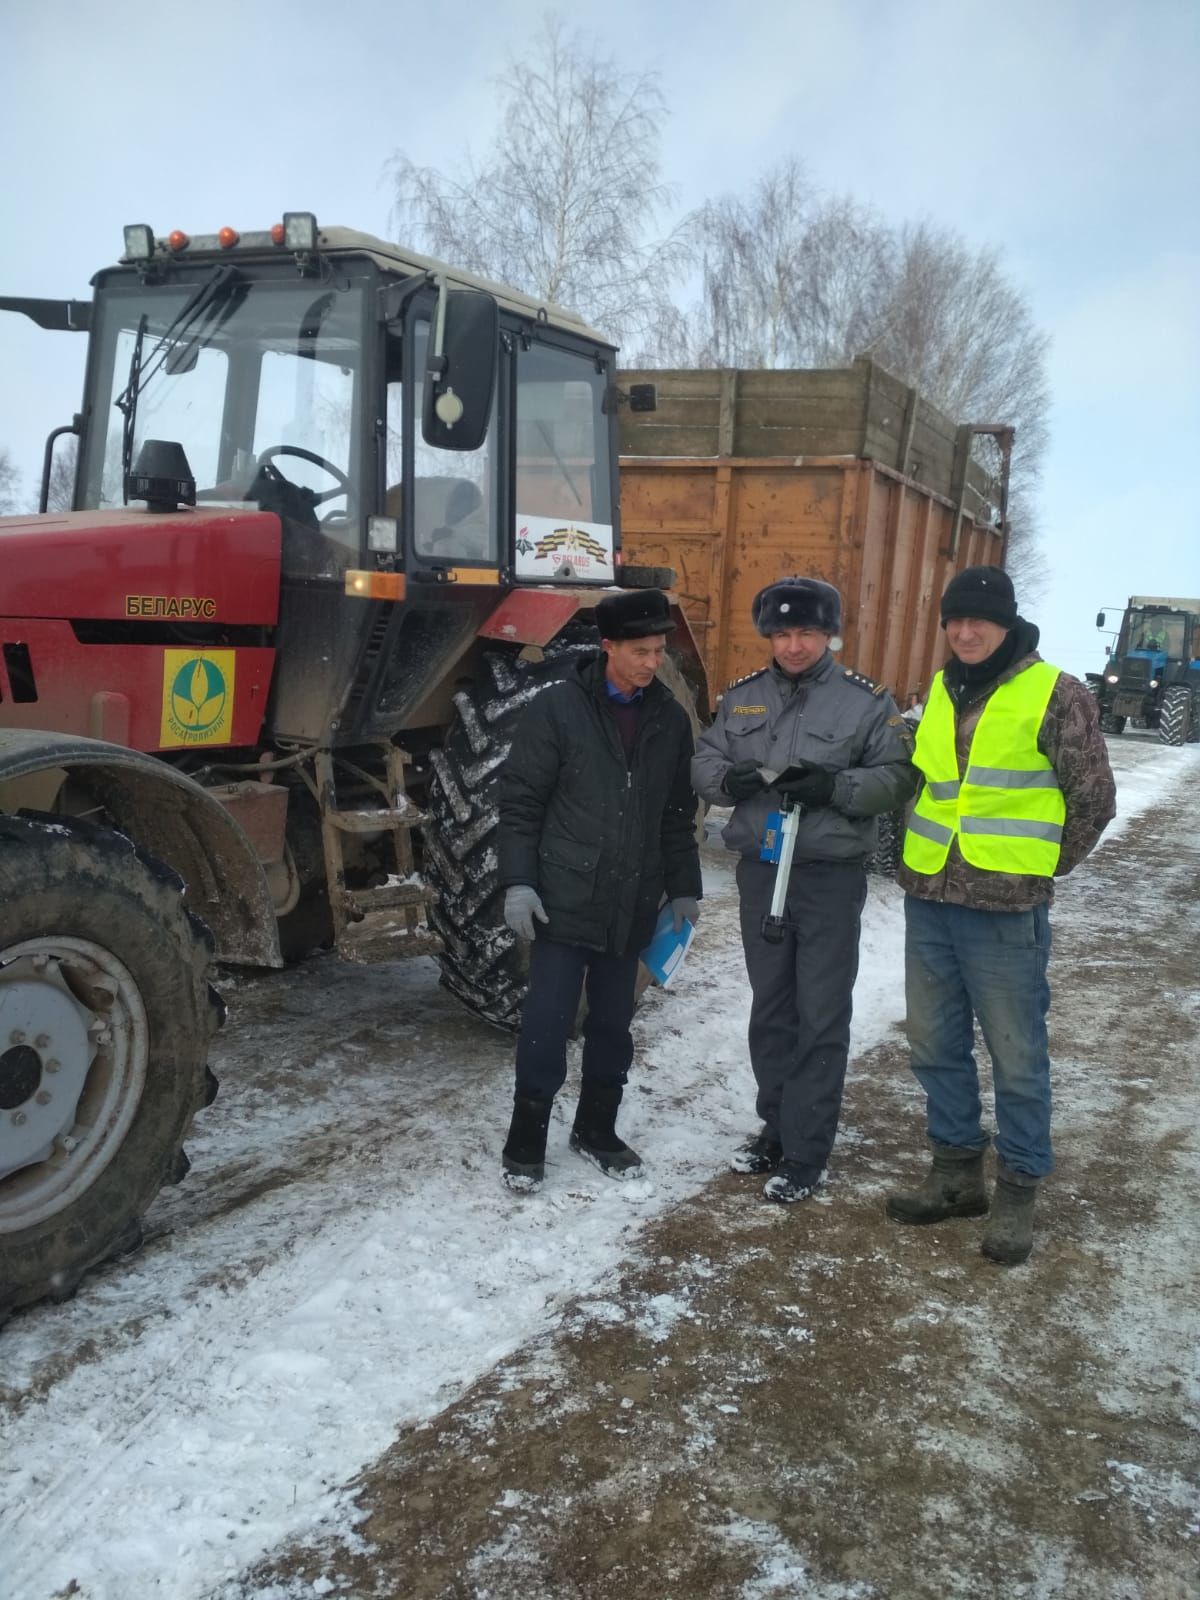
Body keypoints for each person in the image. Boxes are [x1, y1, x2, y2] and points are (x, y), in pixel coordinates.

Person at [887, 564, 1116, 1265]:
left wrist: (1039, 868)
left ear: (1008, 622)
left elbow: (1094, 800)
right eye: (954, 620)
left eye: (979, 620)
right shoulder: (938, 688)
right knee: (933, 1047)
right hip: (931, 901)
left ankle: (1018, 1187)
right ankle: (956, 1175)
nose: (965, 631)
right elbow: (923, 781)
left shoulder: (1058, 694)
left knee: (1017, 1059)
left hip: (1004, 914)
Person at [691, 577, 918, 1203]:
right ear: (770, 636)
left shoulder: (866, 703)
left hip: (825, 876)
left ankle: (807, 1148)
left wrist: (836, 790)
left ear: (829, 636)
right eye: (784, 633)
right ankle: (775, 1125)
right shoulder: (742, 698)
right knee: (772, 1007)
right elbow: (703, 759)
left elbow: (899, 777)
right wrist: (728, 781)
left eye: (808, 633)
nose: (795, 645)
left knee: (820, 1011)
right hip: (762, 870)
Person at [497, 588, 702, 1192]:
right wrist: (518, 883)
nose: (651, 663)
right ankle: (525, 1143)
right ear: (607, 646)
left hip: (631, 903)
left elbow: (673, 813)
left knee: (613, 1029)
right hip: (562, 901)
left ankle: (596, 1131)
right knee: (546, 1026)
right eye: (640, 651)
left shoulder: (667, 718)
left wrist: (684, 888)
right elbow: (520, 806)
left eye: (658, 651)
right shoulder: (557, 710)